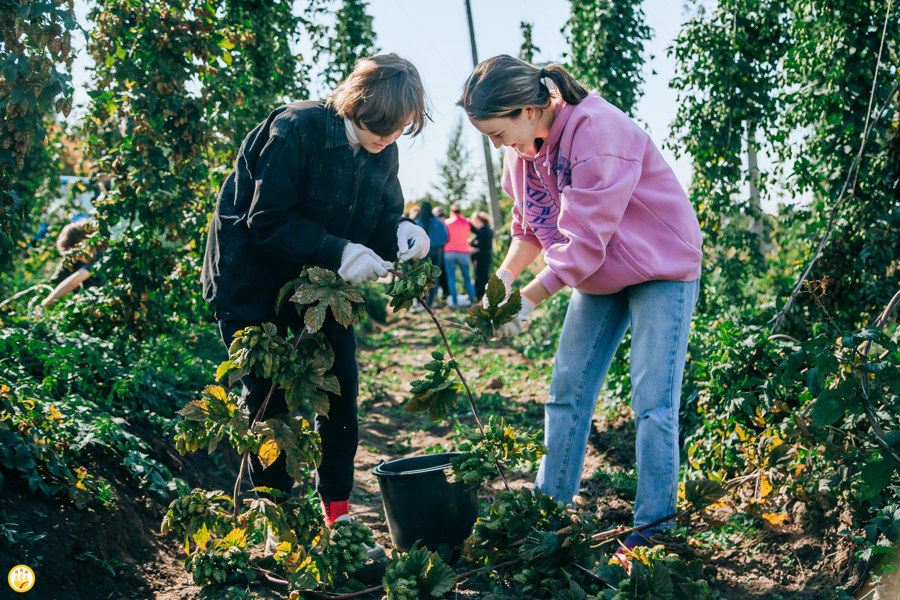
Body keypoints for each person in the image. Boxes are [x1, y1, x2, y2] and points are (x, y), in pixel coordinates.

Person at [457, 55, 702, 555]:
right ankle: (548, 509)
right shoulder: (519, 151)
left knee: (653, 401)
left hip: (661, 267)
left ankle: (655, 528)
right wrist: (502, 280)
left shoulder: (597, 131)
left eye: (498, 133)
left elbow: (585, 242)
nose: (497, 144)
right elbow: (530, 228)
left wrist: (529, 299)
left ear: (529, 109)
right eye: (489, 137)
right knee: (566, 391)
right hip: (598, 275)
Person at [201, 54, 430, 556]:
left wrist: (403, 232)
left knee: (341, 391)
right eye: (380, 126)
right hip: (253, 289)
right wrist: (338, 250)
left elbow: (381, 215)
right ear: (356, 102)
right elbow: (265, 220)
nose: (387, 138)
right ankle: (277, 527)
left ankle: (338, 518)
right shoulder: (296, 130)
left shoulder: (381, 150)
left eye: (398, 130)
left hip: (323, 294)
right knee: (270, 408)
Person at [41, 219, 101, 307]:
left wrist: (47, 302)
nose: (74, 257)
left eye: (75, 252)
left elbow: (74, 280)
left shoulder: (102, 256)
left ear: (84, 241)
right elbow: (54, 284)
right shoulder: (72, 262)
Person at [414, 200, 448, 310]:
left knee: (421, 276)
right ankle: (430, 303)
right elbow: (445, 237)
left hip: (422, 251)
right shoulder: (438, 222)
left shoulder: (418, 222)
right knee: (434, 277)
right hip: (436, 251)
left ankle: (421, 301)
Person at [442, 203, 477, 308]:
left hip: (449, 252)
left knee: (451, 278)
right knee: (467, 277)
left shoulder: (447, 222)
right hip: (463, 252)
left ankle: (455, 302)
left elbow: (444, 237)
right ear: (460, 212)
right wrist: (469, 241)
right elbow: (476, 232)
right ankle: (472, 300)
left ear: (451, 212)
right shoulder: (467, 222)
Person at [469, 211, 493, 301]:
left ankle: (481, 297)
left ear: (478, 219)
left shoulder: (483, 229)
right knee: (484, 276)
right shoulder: (487, 229)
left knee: (479, 277)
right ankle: (485, 296)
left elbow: (481, 244)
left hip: (481, 257)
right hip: (486, 256)